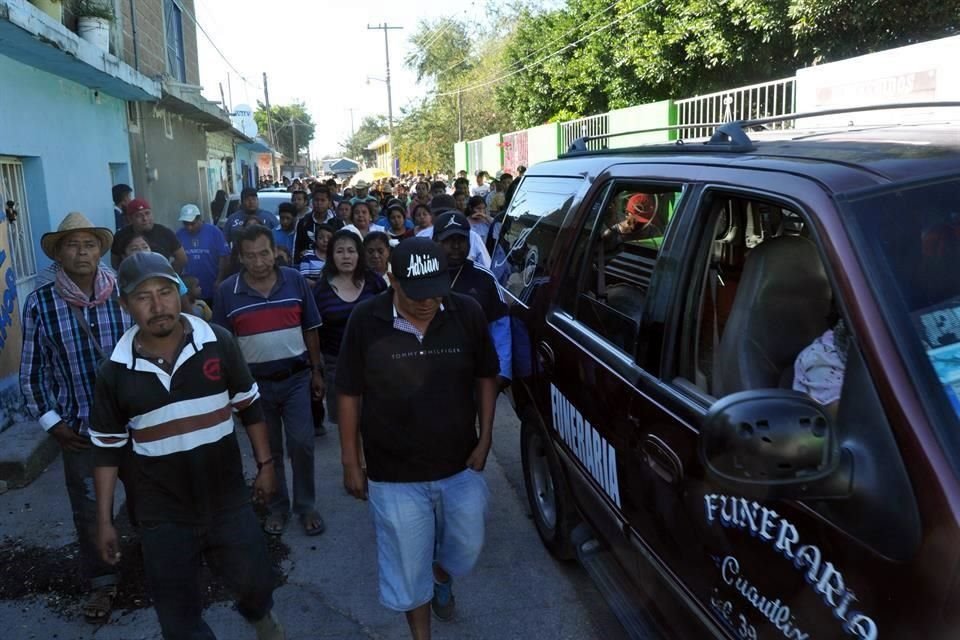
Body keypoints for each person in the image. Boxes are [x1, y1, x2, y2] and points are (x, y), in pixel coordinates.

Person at [90, 252, 286, 640]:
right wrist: (103, 520)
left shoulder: (218, 343)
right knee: (178, 618)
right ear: (124, 304)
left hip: (226, 497)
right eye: (143, 296)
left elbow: (249, 406)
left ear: (179, 292)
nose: (158, 305)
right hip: (161, 512)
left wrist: (266, 465)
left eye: (165, 291)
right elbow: (106, 450)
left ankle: (260, 616)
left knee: (256, 583)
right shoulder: (114, 371)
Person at [336, 237, 498, 639]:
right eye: (416, 293)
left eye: (435, 292)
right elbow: (349, 394)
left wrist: (486, 437)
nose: (428, 303)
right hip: (393, 474)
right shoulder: (365, 321)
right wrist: (350, 462)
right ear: (392, 280)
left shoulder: (467, 312)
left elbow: (485, 377)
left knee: (467, 546)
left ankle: (441, 574)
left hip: (459, 463)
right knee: (409, 570)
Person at [20, 212, 134, 624]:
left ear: (100, 251)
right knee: (89, 512)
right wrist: (54, 424)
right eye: (72, 245)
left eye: (88, 244)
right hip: (81, 431)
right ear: (59, 254)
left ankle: (162, 566)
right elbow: (31, 373)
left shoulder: (124, 290)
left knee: (149, 499)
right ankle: (103, 583)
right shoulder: (40, 303)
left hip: (133, 425)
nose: (81, 252)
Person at [213, 225, 327, 537]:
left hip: (296, 379)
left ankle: (305, 505)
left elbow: (311, 328)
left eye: (264, 253)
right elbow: (222, 344)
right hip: (253, 387)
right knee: (270, 450)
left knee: (302, 443)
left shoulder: (295, 280)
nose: (259, 261)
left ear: (274, 251)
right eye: (250, 256)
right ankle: (278, 506)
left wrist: (317, 370)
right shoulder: (227, 292)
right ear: (240, 257)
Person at [314, 229, 387, 433]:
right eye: (340, 251)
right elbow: (314, 331)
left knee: (376, 419)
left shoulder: (374, 282)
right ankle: (354, 463)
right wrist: (316, 369)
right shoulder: (320, 291)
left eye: (351, 251)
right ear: (331, 256)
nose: (346, 256)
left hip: (374, 362)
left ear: (359, 254)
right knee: (348, 423)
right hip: (337, 364)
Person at [432, 211, 512, 391]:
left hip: (473, 374)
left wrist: (502, 374)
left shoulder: (484, 278)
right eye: (448, 240)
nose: (456, 246)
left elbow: (500, 325)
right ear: (435, 241)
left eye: (461, 239)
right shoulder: (423, 275)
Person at [176, 203, 231, 307]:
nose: (189, 227)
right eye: (186, 224)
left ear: (200, 219)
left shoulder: (214, 232)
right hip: (189, 292)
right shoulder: (179, 235)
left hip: (212, 286)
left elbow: (224, 256)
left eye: (193, 223)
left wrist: (220, 280)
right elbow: (177, 260)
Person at [111, 198, 187, 272]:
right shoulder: (121, 236)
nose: (145, 218)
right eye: (139, 215)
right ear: (130, 219)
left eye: (147, 213)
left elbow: (181, 258)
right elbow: (115, 263)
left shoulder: (165, 232)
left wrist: (167, 273)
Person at [417, 195, 491, 268]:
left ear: (455, 212)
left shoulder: (473, 237)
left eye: (447, 213)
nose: (443, 217)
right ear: (431, 215)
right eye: (438, 214)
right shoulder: (421, 237)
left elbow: (487, 267)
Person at [293, 187, 337, 262]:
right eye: (316, 200)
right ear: (312, 202)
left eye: (323, 200)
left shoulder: (337, 223)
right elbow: (297, 248)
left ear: (329, 202)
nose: (319, 203)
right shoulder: (303, 222)